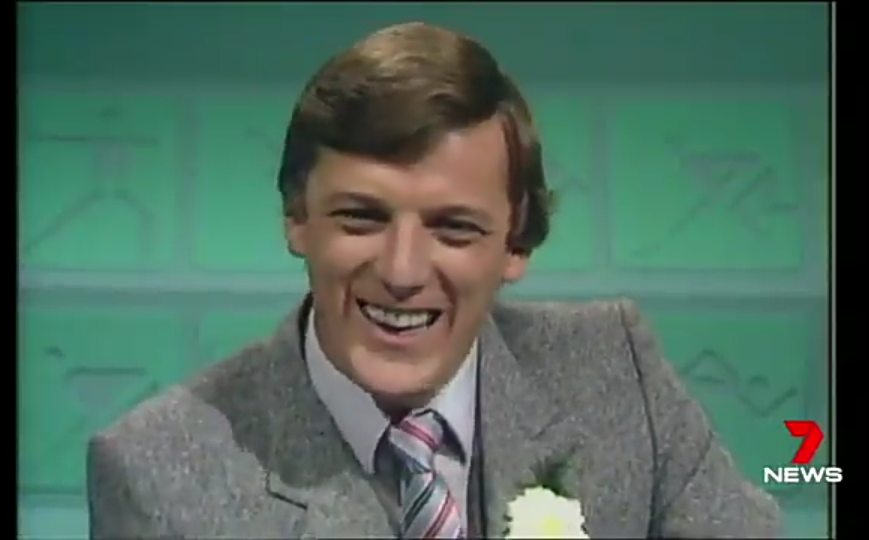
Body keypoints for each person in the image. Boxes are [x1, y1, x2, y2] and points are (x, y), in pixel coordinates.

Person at [87, 22, 781, 539]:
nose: (402, 271)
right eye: (361, 217)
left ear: (516, 243)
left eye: (454, 228)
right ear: (297, 219)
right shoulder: (157, 470)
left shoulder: (617, 373)